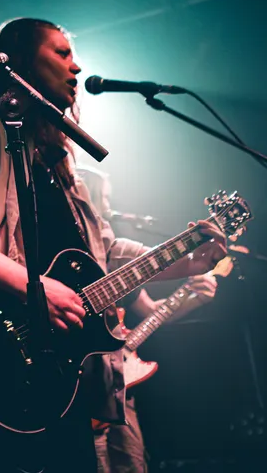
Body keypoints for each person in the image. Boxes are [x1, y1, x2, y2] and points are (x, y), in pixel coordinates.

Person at [0, 17, 225, 472]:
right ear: (19, 60)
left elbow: (103, 255)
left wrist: (183, 261)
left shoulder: (60, 163)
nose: (76, 67)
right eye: (61, 53)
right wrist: (32, 288)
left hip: (58, 374)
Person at [76, 167, 219, 473]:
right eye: (105, 198)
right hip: (82, 381)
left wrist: (195, 299)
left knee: (132, 463)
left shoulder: (117, 263)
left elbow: (151, 311)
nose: (109, 206)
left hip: (117, 382)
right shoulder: (75, 261)